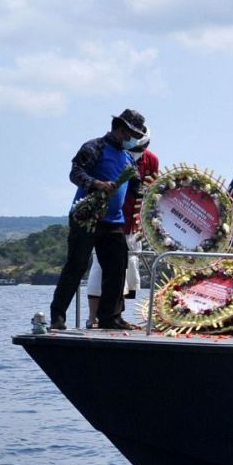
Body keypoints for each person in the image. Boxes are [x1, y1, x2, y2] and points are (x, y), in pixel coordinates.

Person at [48, 109, 147, 330]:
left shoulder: (129, 158)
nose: (131, 139)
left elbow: (136, 187)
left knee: (116, 268)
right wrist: (96, 184)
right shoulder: (94, 147)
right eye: (130, 134)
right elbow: (75, 173)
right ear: (120, 129)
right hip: (87, 218)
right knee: (76, 266)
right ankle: (57, 316)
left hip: (113, 221)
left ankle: (110, 317)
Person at [86, 137, 159, 327]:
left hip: (134, 224)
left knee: (124, 271)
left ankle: (116, 316)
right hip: (108, 220)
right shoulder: (114, 156)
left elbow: (152, 191)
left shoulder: (151, 160)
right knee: (100, 268)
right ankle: (93, 317)